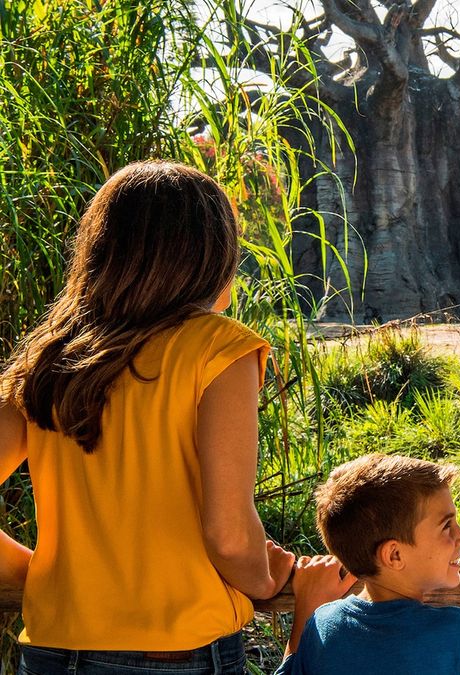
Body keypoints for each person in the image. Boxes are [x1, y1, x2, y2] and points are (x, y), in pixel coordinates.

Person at [0, 161, 295, 672]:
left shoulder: (50, 355)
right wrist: (266, 579)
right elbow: (228, 535)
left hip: (51, 647)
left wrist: (39, 575)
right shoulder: (220, 348)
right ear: (211, 254)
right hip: (173, 650)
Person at [275, 453, 460, 675]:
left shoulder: (323, 626)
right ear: (394, 556)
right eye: (446, 526)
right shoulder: (457, 635)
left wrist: (307, 605)